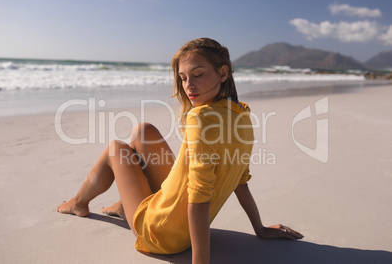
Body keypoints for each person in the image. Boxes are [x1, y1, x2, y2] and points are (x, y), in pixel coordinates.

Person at [57, 38, 303, 263]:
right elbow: (240, 180)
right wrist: (259, 230)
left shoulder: (200, 119)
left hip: (162, 234)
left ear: (223, 73)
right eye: (183, 78)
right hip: (179, 219)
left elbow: (199, 195)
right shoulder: (242, 115)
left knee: (115, 148)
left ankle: (79, 203)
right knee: (144, 131)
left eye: (197, 75)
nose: (189, 86)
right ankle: (123, 206)